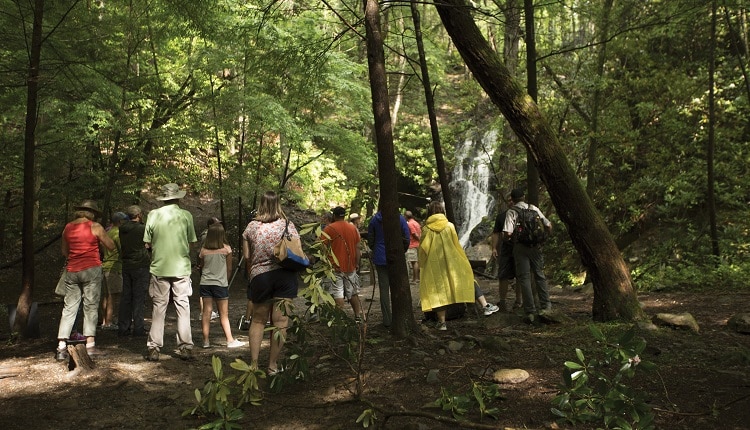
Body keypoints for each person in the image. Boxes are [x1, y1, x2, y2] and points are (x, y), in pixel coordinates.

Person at [242, 191, 300, 375]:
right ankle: (272, 365)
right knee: (281, 322)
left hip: (261, 277)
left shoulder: (251, 227)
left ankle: (253, 365)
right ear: (278, 204)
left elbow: (246, 256)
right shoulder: (288, 225)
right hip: (285, 275)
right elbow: (297, 250)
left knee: (258, 320)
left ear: (261, 204)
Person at [55, 200, 115, 361]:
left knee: (69, 308)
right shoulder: (95, 226)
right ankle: (90, 346)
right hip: (91, 269)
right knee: (90, 306)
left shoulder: (68, 227)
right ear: (92, 213)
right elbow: (111, 246)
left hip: (72, 270)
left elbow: (64, 251)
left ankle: (61, 347)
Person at [143, 183, 197, 361]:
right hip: (181, 267)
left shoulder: (153, 215)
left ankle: (154, 348)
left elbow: (147, 244)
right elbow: (191, 242)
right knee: (183, 306)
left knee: (159, 307)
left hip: (159, 267)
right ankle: (186, 346)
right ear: (178, 197)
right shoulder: (185, 215)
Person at [418, 201, 475, 331]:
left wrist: (421, 262)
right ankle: (483, 305)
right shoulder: (450, 226)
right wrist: (462, 259)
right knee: (460, 281)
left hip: (433, 265)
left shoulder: (426, 229)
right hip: (451, 262)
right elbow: (456, 244)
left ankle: (442, 323)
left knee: (437, 291)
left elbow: (423, 249)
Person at [503, 187, 553, 323]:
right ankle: (546, 306)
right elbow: (548, 225)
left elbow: (507, 233)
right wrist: (544, 239)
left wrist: (508, 240)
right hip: (536, 247)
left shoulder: (512, 211)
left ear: (512, 200)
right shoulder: (534, 208)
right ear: (524, 197)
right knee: (539, 275)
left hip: (520, 247)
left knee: (524, 278)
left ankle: (530, 311)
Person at [198, 221, 244, 349]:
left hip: (205, 283)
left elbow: (201, 267)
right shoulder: (226, 249)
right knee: (224, 314)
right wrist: (226, 281)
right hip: (220, 284)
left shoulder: (203, 250)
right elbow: (229, 269)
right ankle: (229, 340)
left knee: (206, 312)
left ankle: (205, 341)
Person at [367, 205, 410, 328]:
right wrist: (402, 251)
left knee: (384, 290)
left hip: (380, 258)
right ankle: (401, 317)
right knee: (399, 288)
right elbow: (406, 237)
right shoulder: (399, 218)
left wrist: (375, 249)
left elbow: (371, 238)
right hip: (396, 257)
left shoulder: (375, 219)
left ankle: (387, 320)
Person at [322, 206, 364, 321]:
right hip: (350, 265)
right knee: (353, 292)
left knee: (338, 293)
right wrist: (357, 262)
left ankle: (338, 319)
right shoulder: (353, 228)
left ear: (334, 216)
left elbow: (322, 246)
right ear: (344, 216)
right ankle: (357, 316)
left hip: (335, 266)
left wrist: (325, 261)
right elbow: (357, 248)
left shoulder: (329, 228)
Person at [118, 205, 151, 337]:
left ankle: (123, 327)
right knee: (139, 297)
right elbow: (149, 244)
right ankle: (138, 327)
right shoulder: (142, 229)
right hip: (140, 265)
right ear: (139, 215)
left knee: (126, 297)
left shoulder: (122, 229)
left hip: (126, 265)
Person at [100, 211, 127, 329]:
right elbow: (122, 250)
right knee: (113, 296)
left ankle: (104, 321)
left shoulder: (108, 232)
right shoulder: (117, 233)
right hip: (114, 267)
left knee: (106, 295)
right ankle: (109, 322)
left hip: (105, 265)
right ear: (120, 221)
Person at [491, 207, 522, 312]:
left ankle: (518, 301)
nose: (511, 202)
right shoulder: (501, 216)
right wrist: (494, 248)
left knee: (519, 276)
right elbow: (496, 232)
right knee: (503, 276)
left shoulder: (524, 213)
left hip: (519, 249)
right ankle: (503, 301)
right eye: (509, 200)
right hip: (507, 250)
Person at [404, 211, 421, 284]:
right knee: (415, 261)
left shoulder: (410, 224)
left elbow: (414, 234)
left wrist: (419, 240)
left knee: (414, 262)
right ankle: (415, 278)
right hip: (416, 244)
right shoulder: (416, 223)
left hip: (412, 244)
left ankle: (416, 279)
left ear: (406, 216)